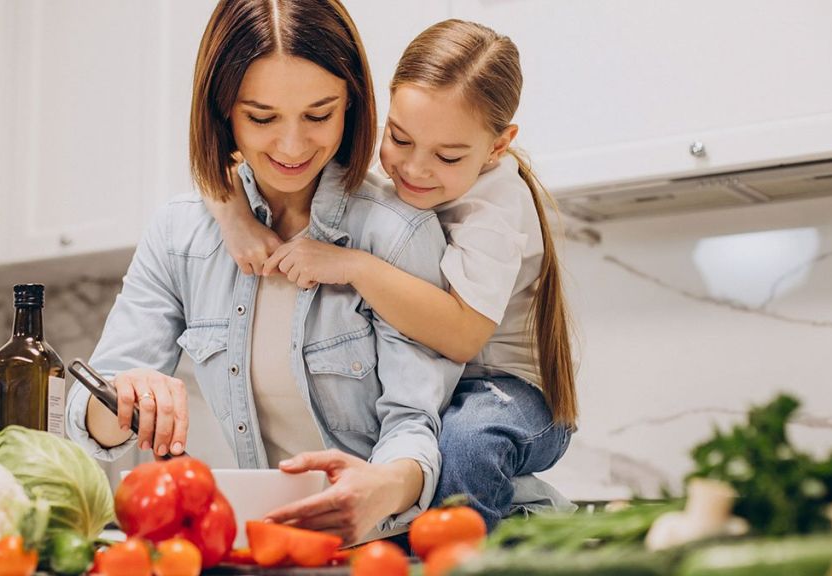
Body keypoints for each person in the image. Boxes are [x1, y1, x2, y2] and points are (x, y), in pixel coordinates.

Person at [64, 0, 462, 545]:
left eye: (319, 115)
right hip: (266, 548)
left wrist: (383, 487)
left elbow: (416, 423)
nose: (293, 146)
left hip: (385, 546)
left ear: (351, 103)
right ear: (222, 110)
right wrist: (126, 394)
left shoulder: (397, 232)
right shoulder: (180, 234)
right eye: (261, 117)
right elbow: (86, 416)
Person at [207, 19, 578, 529]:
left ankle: (468, 558)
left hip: (511, 396)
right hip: (442, 391)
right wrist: (235, 218)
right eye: (399, 138)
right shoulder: (396, 178)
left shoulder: (496, 209)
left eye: (448, 156)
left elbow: (463, 334)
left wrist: (352, 265)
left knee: (466, 444)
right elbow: (222, 160)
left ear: (498, 146)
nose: (414, 168)